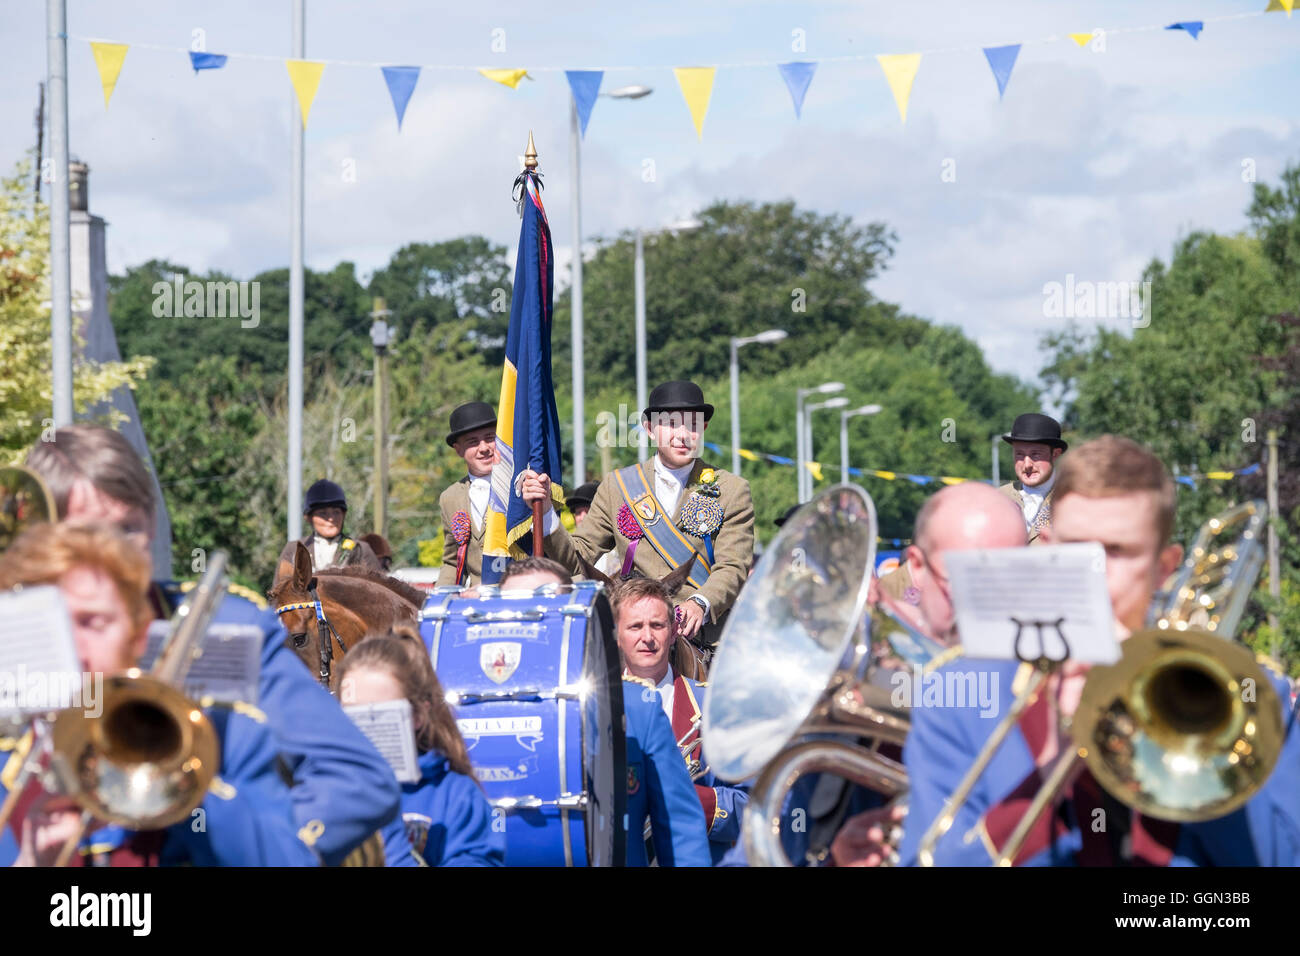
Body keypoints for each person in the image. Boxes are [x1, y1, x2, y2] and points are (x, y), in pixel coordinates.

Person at [898, 435, 1300, 866]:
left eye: (1118, 551)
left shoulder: (1253, 694)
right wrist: (1050, 774)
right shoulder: (958, 692)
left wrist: (1208, 755)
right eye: (1077, 548)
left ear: (1164, 568)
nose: (1094, 573)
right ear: (1047, 549)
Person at [24, 424, 402, 866]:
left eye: (129, 529)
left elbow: (360, 781)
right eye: (87, 533)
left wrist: (281, 844)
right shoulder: (18, 641)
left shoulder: (230, 628)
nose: (116, 555)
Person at [0, 523, 318, 866]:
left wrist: (185, 781)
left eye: (93, 623)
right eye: (56, 626)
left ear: (137, 636)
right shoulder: (11, 764)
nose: (76, 649)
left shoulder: (230, 741)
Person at [490, 558, 711, 865]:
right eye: (521, 610)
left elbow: (680, 833)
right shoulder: (464, 717)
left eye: (546, 607)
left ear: (571, 616)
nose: (533, 620)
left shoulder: (638, 707)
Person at [522, 380, 755, 651]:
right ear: (650, 429)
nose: (682, 434)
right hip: (631, 631)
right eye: (671, 424)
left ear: (703, 428)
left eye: (692, 424)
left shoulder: (731, 489)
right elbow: (579, 557)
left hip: (700, 635)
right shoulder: (618, 485)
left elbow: (732, 566)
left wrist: (701, 603)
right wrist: (548, 511)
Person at [338, 629, 505, 867]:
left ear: (417, 714)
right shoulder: (328, 791)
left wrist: (391, 827)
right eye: (351, 715)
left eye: (377, 714)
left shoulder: (457, 797)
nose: (362, 731)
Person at [612, 576, 747, 864]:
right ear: (617, 635)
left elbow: (757, 804)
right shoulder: (594, 709)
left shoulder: (715, 707)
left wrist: (702, 803)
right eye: (635, 626)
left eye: (657, 625)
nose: (647, 637)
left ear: (674, 632)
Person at [436, 401, 497, 588]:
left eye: (490, 438)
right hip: (474, 604)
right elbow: (452, 562)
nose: (484, 447)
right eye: (473, 442)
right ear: (458, 449)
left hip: (518, 597)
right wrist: (439, 600)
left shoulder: (521, 486)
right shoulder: (450, 498)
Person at [277, 479, 380, 577]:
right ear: (308, 517)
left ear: (344, 514)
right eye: (323, 513)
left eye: (336, 512)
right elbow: (279, 591)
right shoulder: (293, 549)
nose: (331, 518)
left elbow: (380, 592)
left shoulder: (361, 550)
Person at [998, 413, 1068, 545]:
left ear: (1055, 454)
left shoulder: (1071, 498)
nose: (1027, 464)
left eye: (1035, 454)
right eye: (1019, 454)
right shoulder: (998, 498)